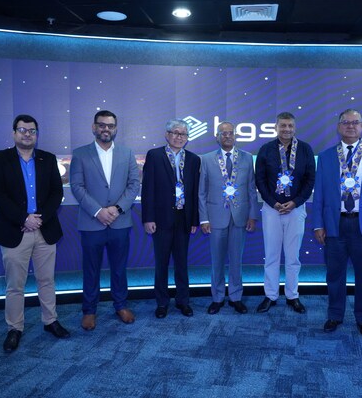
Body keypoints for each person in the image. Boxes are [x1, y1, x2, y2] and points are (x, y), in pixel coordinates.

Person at [0, 114, 70, 353]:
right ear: (14, 133)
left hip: (45, 229)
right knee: (15, 285)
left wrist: (38, 218)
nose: (27, 134)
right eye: (23, 130)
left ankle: (50, 321)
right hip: (14, 230)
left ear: (37, 134)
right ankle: (14, 328)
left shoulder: (48, 158)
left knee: (47, 280)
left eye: (32, 131)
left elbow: (57, 193)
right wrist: (24, 218)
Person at [313, 109, 362, 337]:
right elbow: (319, 193)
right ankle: (335, 315)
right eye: (346, 122)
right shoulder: (326, 156)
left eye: (355, 122)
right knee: (334, 275)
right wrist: (318, 224)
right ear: (339, 127)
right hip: (334, 223)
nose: (350, 126)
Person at [70, 110, 140, 331]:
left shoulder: (127, 153)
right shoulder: (80, 154)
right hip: (92, 223)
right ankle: (89, 310)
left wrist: (116, 209)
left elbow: (134, 185)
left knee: (119, 268)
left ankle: (121, 305)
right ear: (94, 127)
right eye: (101, 125)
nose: (106, 129)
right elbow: (77, 187)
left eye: (110, 126)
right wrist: (98, 211)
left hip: (120, 222)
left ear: (115, 129)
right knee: (91, 269)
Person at [255, 112, 316, 314]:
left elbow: (310, 180)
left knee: (293, 256)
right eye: (283, 125)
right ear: (276, 127)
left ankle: (292, 296)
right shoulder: (265, 149)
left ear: (295, 127)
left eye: (290, 126)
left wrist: (295, 202)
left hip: (296, 209)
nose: (286, 129)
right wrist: (273, 202)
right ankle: (270, 295)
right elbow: (260, 180)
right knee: (271, 255)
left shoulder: (305, 149)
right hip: (271, 209)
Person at [142, 119, 201, 318]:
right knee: (162, 263)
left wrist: (194, 220)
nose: (179, 137)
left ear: (187, 138)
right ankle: (162, 303)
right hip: (160, 219)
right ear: (167, 135)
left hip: (183, 218)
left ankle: (183, 301)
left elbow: (194, 191)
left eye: (183, 134)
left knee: (182, 263)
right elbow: (147, 188)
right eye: (175, 132)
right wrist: (148, 218)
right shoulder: (154, 155)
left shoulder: (193, 159)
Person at [199, 122, 260, 314]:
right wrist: (204, 219)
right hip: (215, 217)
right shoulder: (206, 159)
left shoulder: (247, 157)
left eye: (230, 133)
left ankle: (235, 297)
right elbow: (202, 192)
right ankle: (217, 297)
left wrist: (253, 215)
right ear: (217, 137)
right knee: (216, 261)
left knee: (236, 260)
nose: (227, 136)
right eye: (223, 133)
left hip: (240, 217)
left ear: (235, 136)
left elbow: (251, 188)